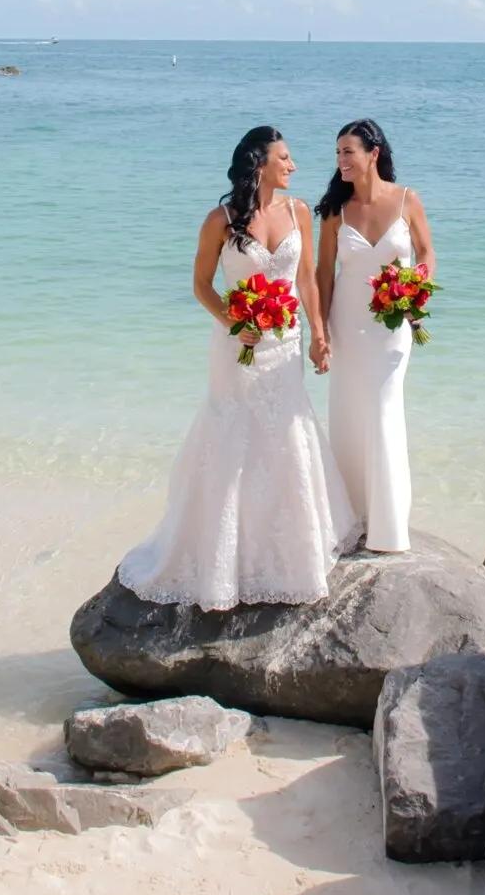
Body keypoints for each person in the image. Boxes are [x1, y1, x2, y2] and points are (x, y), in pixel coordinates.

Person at [118, 126, 357, 612]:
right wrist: (234, 320)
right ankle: (223, 559)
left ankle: (292, 553)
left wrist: (318, 333)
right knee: (232, 439)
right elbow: (202, 285)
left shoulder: (297, 212)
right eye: (284, 158)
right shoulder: (220, 221)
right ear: (259, 164)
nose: (292, 166)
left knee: (286, 440)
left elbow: (307, 278)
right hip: (237, 348)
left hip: (285, 347)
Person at [315, 119, 435, 555]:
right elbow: (322, 273)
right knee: (348, 414)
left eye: (349, 152)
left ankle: (387, 527)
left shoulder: (407, 200)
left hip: (391, 324)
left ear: (373, 154)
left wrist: (416, 293)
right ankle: (350, 518)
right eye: (338, 154)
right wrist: (320, 330)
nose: (341, 161)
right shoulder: (335, 210)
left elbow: (426, 251)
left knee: (384, 410)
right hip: (347, 322)